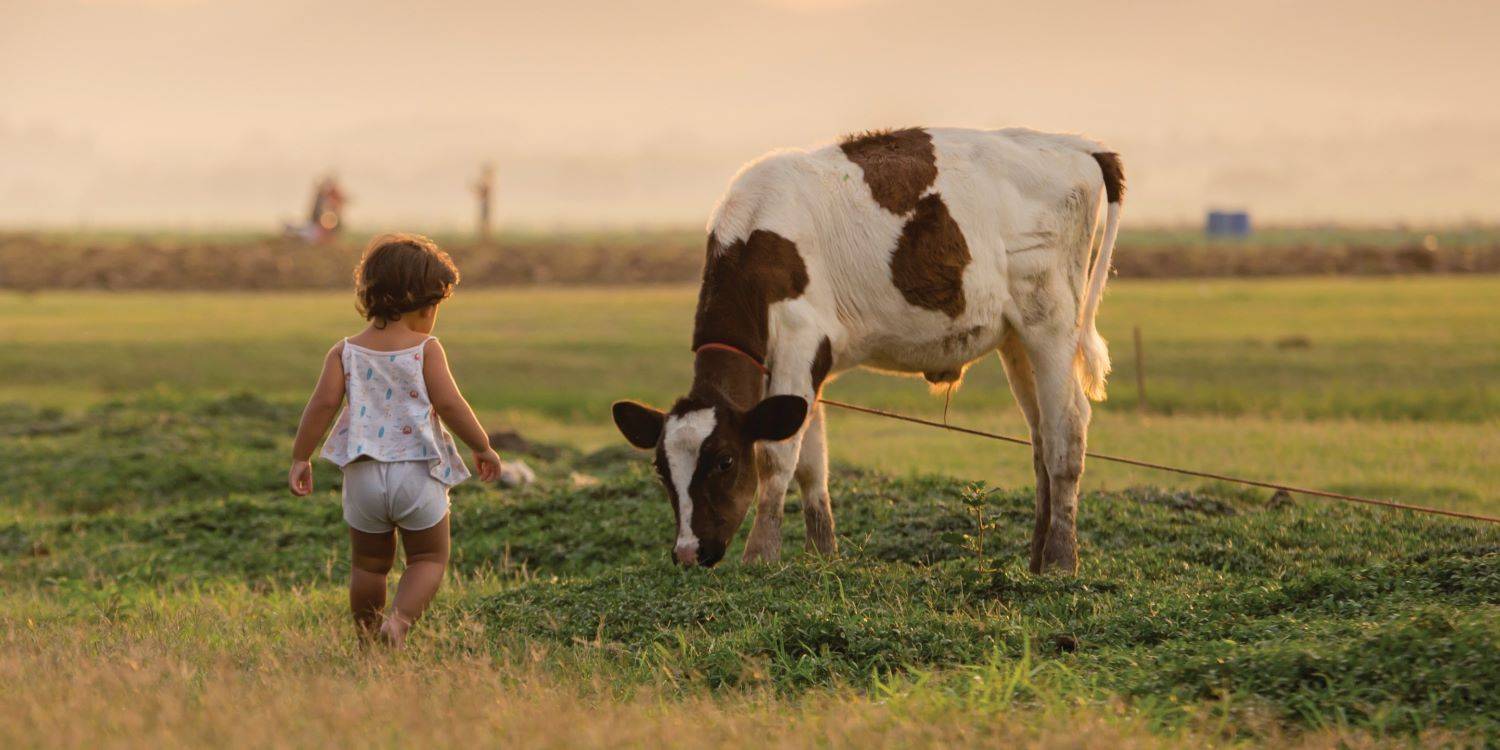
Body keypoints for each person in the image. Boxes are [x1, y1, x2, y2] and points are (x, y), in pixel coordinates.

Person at [287, 233, 501, 647]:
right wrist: (482, 445)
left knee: (368, 567)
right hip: (417, 475)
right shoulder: (426, 349)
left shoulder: (345, 352)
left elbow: (321, 405)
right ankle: (399, 622)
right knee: (428, 558)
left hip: (364, 476)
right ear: (420, 303)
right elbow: (452, 404)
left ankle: (368, 641)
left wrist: (301, 457)